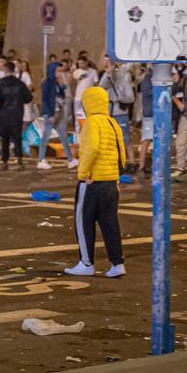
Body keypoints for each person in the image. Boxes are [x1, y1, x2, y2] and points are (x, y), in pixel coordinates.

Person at [64, 86, 129, 278]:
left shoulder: (92, 123)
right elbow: (121, 151)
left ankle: (86, 263)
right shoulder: (112, 122)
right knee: (110, 223)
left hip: (93, 181)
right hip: (111, 181)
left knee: (83, 222)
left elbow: (91, 149)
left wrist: (83, 173)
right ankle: (117, 263)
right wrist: (117, 174)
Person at [0, 60, 33, 171]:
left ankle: (5, 161)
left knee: (4, 138)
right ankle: (19, 160)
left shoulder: (1, 85)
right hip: (17, 114)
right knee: (17, 137)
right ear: (14, 70)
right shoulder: (20, 84)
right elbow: (29, 98)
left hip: (4, 114)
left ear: (5, 71)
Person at [38, 61, 76, 169]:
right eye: (58, 71)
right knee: (46, 137)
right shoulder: (47, 83)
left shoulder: (56, 83)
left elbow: (61, 96)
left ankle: (70, 159)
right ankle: (41, 160)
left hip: (57, 114)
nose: (60, 73)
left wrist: (62, 85)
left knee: (63, 136)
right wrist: (50, 115)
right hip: (51, 114)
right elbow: (45, 99)